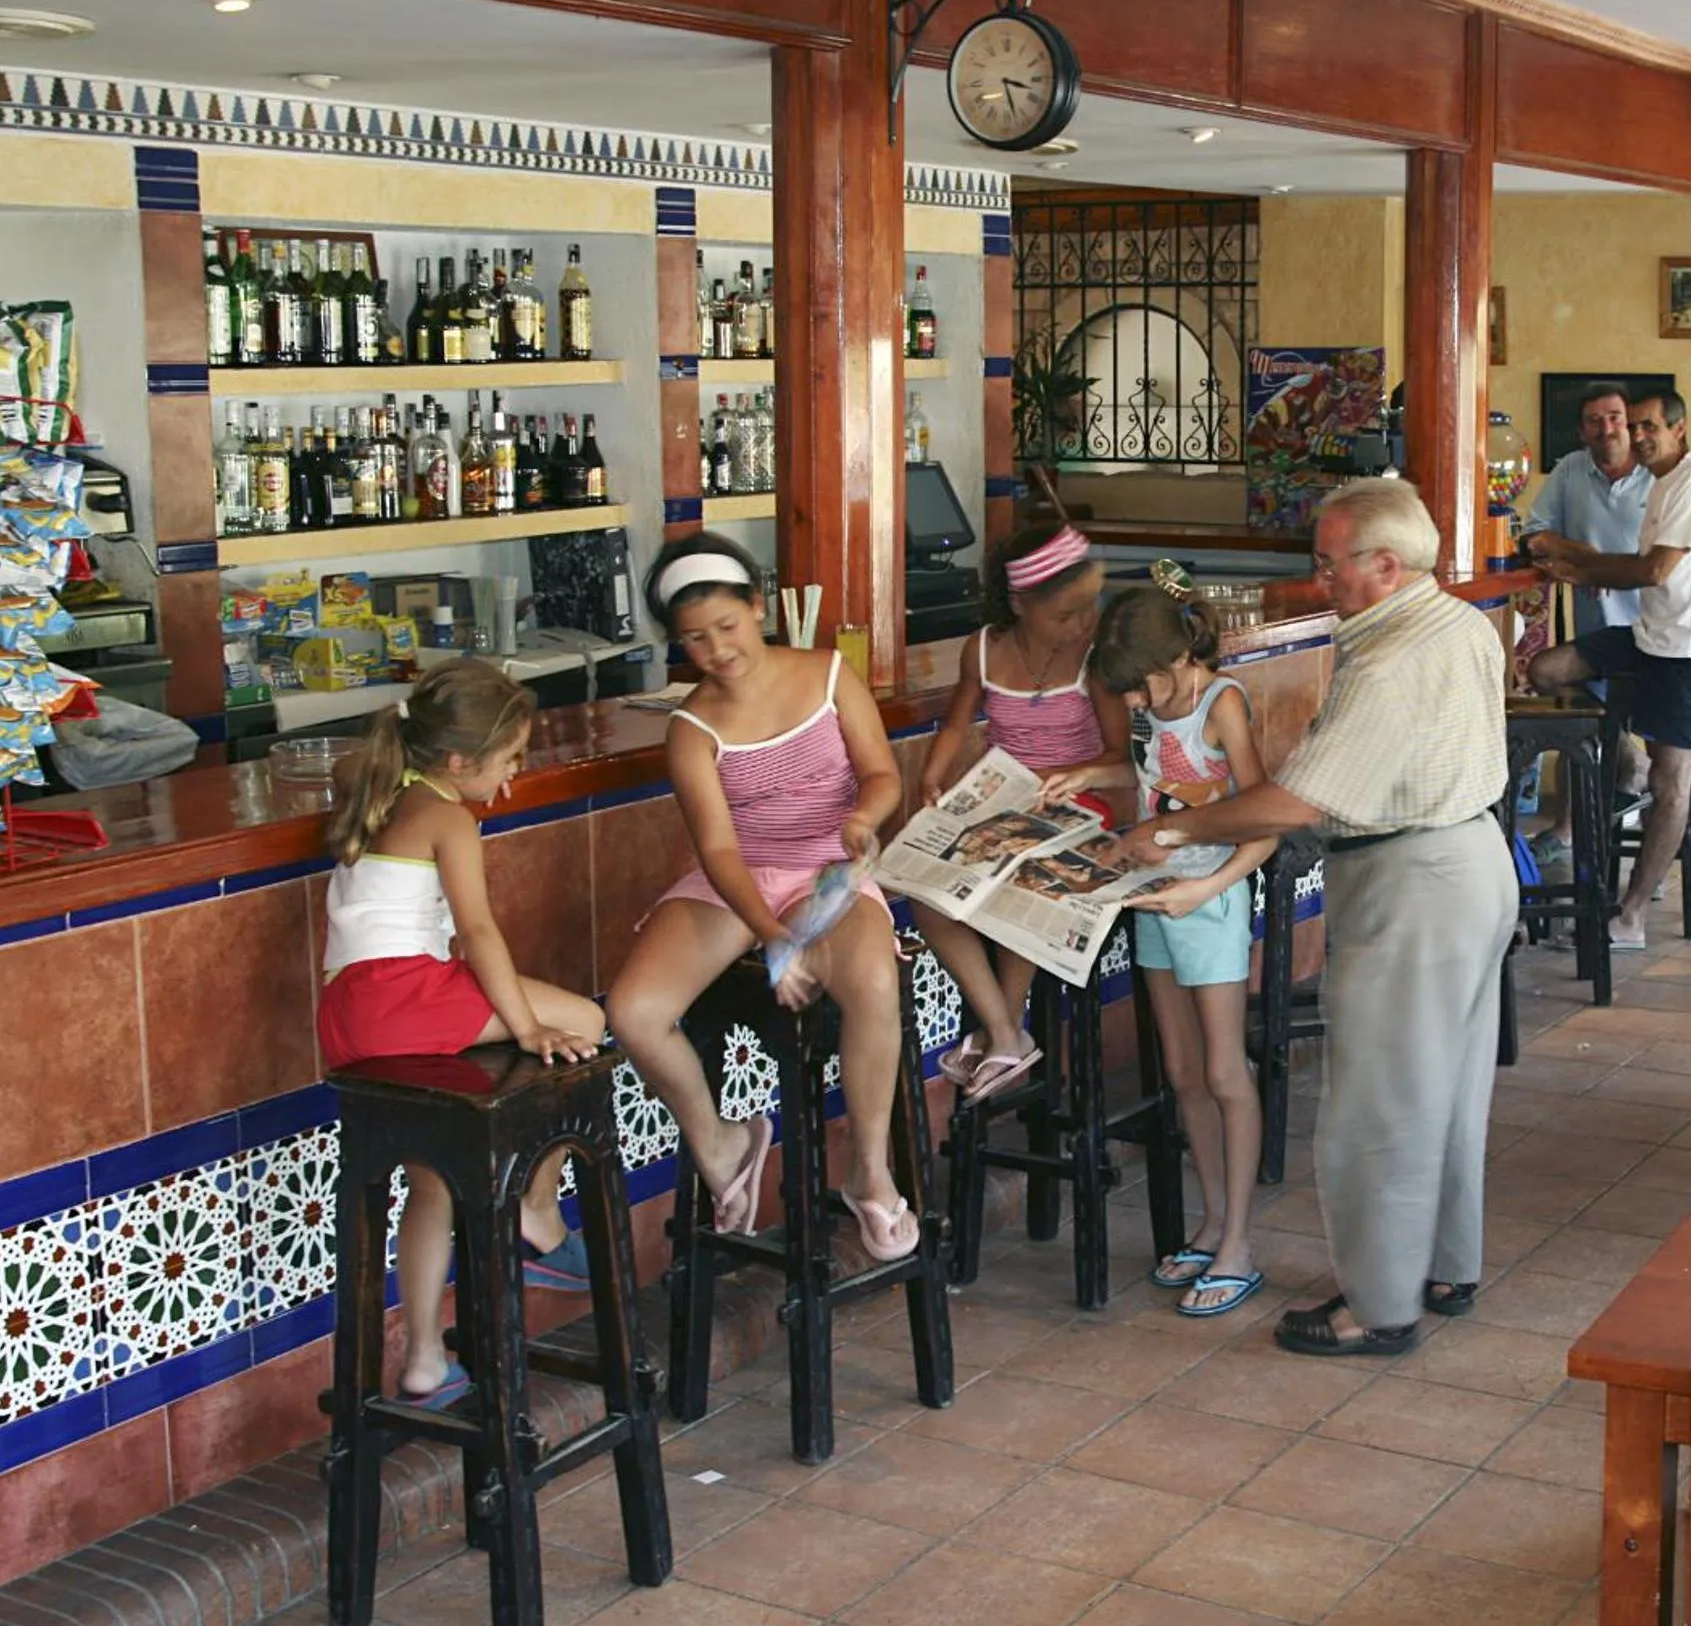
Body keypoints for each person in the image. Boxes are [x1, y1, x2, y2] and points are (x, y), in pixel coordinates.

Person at [1113, 477, 1512, 1359]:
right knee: (1446, 1090)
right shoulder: (1453, 620)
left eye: (1330, 564)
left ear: (1383, 563)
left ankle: (1377, 1305)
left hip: (1413, 877)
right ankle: (1442, 1266)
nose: (1317, 577)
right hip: (1468, 860)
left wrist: (1173, 825)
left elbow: (1295, 803)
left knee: (1381, 1104)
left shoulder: (1393, 657)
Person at [606, 536, 918, 1261]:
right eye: (694, 639)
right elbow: (717, 850)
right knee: (634, 1011)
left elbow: (881, 774)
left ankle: (870, 1172)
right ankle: (722, 1139)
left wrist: (862, 820)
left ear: (757, 607)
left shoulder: (830, 674)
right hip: (738, 881)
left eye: (727, 626)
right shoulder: (689, 730)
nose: (717, 649)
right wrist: (771, 933)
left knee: (874, 982)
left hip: (828, 871)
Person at [317, 661, 608, 1408]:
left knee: (433, 1178)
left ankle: (421, 1362)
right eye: (510, 758)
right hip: (406, 996)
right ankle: (537, 1220)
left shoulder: (379, 788)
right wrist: (527, 1027)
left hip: (350, 1015)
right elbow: (478, 933)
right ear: (456, 760)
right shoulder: (448, 814)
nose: (513, 776)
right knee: (588, 1022)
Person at [1040, 579, 1276, 1317]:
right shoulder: (1148, 712)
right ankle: (1210, 1224)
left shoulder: (1221, 704)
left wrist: (1206, 891)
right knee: (1180, 1072)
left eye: (1139, 690)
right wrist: (1090, 773)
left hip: (1207, 903)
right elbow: (1156, 777)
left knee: (1222, 1069)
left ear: (1176, 660)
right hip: (1152, 898)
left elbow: (1262, 818)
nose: (1133, 706)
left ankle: (1238, 1243)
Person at [911, 518, 1128, 1102]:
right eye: (1066, 614)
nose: (1083, 623)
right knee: (928, 896)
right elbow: (958, 721)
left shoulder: (1094, 658)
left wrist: (1079, 775)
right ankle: (1005, 1031)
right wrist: (934, 777)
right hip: (1007, 807)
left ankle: (1000, 1035)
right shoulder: (982, 649)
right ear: (1019, 605)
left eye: (1090, 607)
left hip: (1080, 809)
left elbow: (1121, 758)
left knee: (1015, 879)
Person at [1522, 387, 1691, 950]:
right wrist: (1576, 563)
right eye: (1632, 427)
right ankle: (1627, 763)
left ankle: (1631, 916)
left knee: (1673, 785)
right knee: (1548, 669)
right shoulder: (1660, 481)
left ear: (1678, 429)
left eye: (1648, 427)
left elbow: (1654, 571)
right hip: (1648, 639)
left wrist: (1577, 563)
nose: (1637, 436)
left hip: (1690, 653)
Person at [1517, 381, 1652, 863]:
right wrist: (1585, 558)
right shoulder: (1572, 470)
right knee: (1574, 715)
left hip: (1661, 640)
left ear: (1631, 424)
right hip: (1599, 638)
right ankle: (1572, 825)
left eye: (1614, 417)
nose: (1606, 428)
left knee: (1659, 743)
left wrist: (1606, 571)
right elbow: (1535, 535)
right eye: (1595, 420)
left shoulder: (1664, 474)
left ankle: (1654, 847)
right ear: (1582, 431)